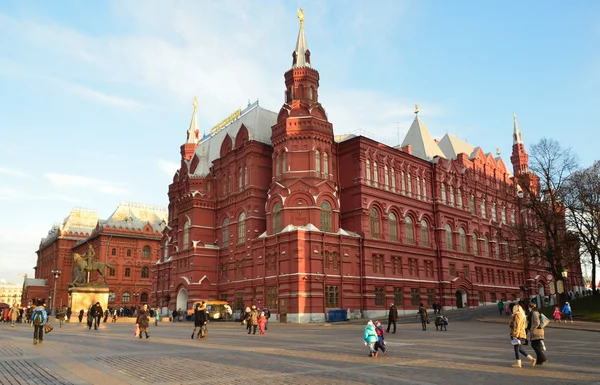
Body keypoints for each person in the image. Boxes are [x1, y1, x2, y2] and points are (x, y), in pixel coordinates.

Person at [509, 302, 536, 368]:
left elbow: (516, 326)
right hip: (522, 333)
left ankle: (518, 363)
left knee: (516, 349)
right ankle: (531, 359)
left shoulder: (517, 315)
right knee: (519, 349)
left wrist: (515, 335)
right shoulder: (522, 315)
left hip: (517, 334)